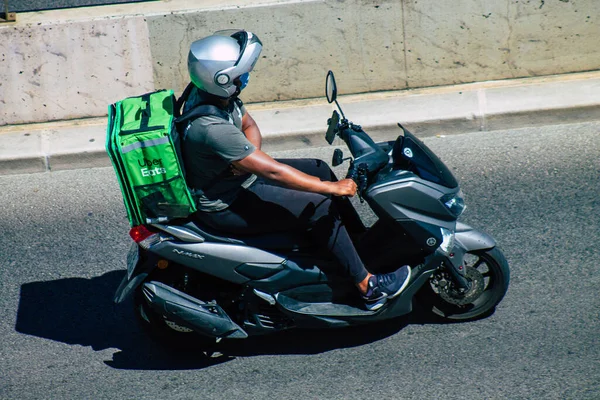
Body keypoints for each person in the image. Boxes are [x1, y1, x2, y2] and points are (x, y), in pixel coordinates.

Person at [180, 29, 411, 311]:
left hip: (237, 180)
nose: (247, 76)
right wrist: (333, 188)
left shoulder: (213, 96)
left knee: (319, 168)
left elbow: (249, 126)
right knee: (320, 203)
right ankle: (368, 288)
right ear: (222, 79)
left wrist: (246, 159)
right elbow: (274, 173)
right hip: (225, 204)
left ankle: (355, 244)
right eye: (242, 73)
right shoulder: (211, 127)